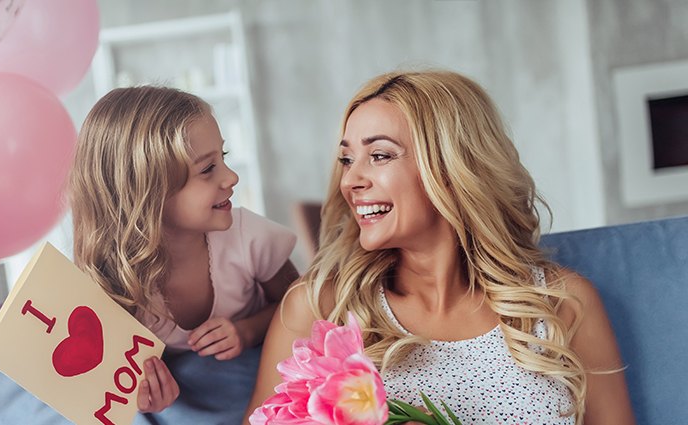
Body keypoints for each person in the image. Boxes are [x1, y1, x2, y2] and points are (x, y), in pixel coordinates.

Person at [245, 69, 634, 425]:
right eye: (347, 159)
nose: (351, 180)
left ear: (451, 169)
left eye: (379, 155)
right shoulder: (318, 307)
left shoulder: (563, 303)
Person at [69, 86, 298, 417]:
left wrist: (248, 331)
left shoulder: (247, 237)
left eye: (224, 158)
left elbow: (303, 309)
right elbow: (110, 377)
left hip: (253, 373)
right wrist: (140, 391)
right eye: (207, 169)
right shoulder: (109, 277)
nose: (231, 177)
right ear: (146, 193)